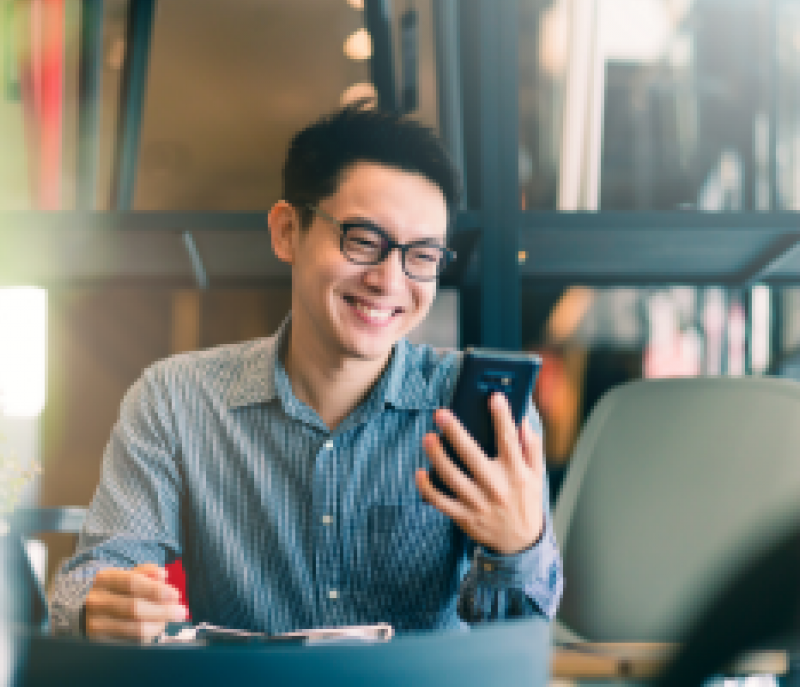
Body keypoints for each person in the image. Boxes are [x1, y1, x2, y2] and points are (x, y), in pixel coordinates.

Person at [50, 104, 563, 641]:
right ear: (287, 231)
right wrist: (98, 606)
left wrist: (519, 548)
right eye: (364, 241)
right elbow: (96, 575)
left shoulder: (482, 412)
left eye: (422, 255)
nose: (390, 281)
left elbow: (526, 641)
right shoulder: (175, 400)